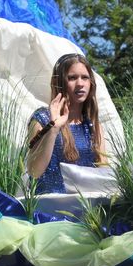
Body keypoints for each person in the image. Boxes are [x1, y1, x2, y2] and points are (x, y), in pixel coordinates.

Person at [27, 53, 107, 194]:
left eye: (85, 77)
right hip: (48, 209)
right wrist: (54, 128)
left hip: (85, 208)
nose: (80, 83)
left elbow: (103, 172)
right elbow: (34, 172)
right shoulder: (41, 119)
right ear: (60, 83)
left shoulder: (93, 125)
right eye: (72, 78)